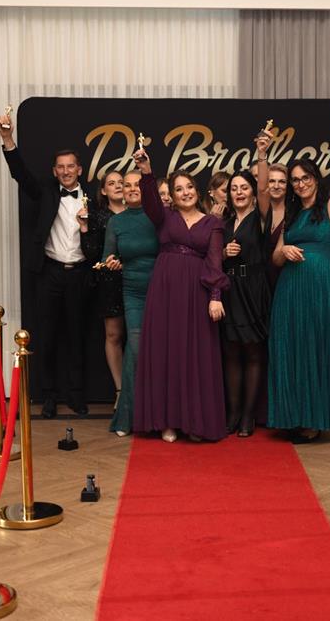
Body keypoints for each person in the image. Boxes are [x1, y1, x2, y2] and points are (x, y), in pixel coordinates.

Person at [0, 113, 91, 418]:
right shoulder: (46, 193)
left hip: (80, 275)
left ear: (79, 169)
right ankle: (48, 396)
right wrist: (7, 139)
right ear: (54, 171)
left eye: (70, 166)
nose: (65, 171)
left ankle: (76, 396)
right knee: (47, 337)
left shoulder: (93, 198)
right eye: (60, 167)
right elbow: (21, 174)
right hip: (49, 273)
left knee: (77, 337)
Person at [268, 110, 330, 443]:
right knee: (290, 350)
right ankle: (292, 416)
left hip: (318, 290)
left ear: (316, 179)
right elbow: (275, 256)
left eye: (305, 178)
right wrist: (285, 251)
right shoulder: (291, 215)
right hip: (289, 290)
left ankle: (314, 419)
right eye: (295, 180)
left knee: (314, 348)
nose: (300, 184)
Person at [133, 148, 229, 442]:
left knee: (194, 354)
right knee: (167, 352)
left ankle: (194, 422)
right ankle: (167, 422)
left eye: (189, 187)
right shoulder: (164, 217)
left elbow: (214, 259)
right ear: (172, 196)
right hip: (165, 290)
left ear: (196, 191)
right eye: (178, 189)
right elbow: (150, 200)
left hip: (196, 291)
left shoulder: (212, 222)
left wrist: (215, 295)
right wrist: (146, 171)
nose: (185, 192)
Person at [221, 132, 273, 437]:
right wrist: (222, 254)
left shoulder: (261, 217)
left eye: (244, 187)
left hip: (253, 289)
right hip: (229, 291)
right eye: (234, 188)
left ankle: (248, 417)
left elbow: (265, 188)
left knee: (253, 354)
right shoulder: (224, 223)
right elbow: (211, 258)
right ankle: (233, 414)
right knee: (231, 354)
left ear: (253, 192)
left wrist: (261, 155)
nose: (239, 192)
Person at [101, 170, 159, 436]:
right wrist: (112, 262)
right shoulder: (116, 222)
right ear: (122, 191)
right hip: (132, 291)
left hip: (161, 290)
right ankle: (127, 417)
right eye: (128, 185)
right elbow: (108, 256)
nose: (133, 189)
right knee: (135, 348)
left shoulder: (158, 217)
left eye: (138, 184)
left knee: (159, 350)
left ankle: (161, 417)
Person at [79, 169, 127, 405]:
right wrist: (84, 227)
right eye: (112, 183)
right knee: (113, 335)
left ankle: (140, 390)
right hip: (109, 282)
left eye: (121, 182)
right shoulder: (97, 217)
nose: (118, 186)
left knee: (138, 336)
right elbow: (91, 254)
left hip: (137, 279)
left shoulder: (139, 212)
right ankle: (120, 391)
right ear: (104, 191)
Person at [264, 163, 288, 288]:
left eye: (282, 182)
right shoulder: (254, 212)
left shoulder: (294, 213)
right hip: (257, 281)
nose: (276, 186)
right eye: (272, 181)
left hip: (285, 278)